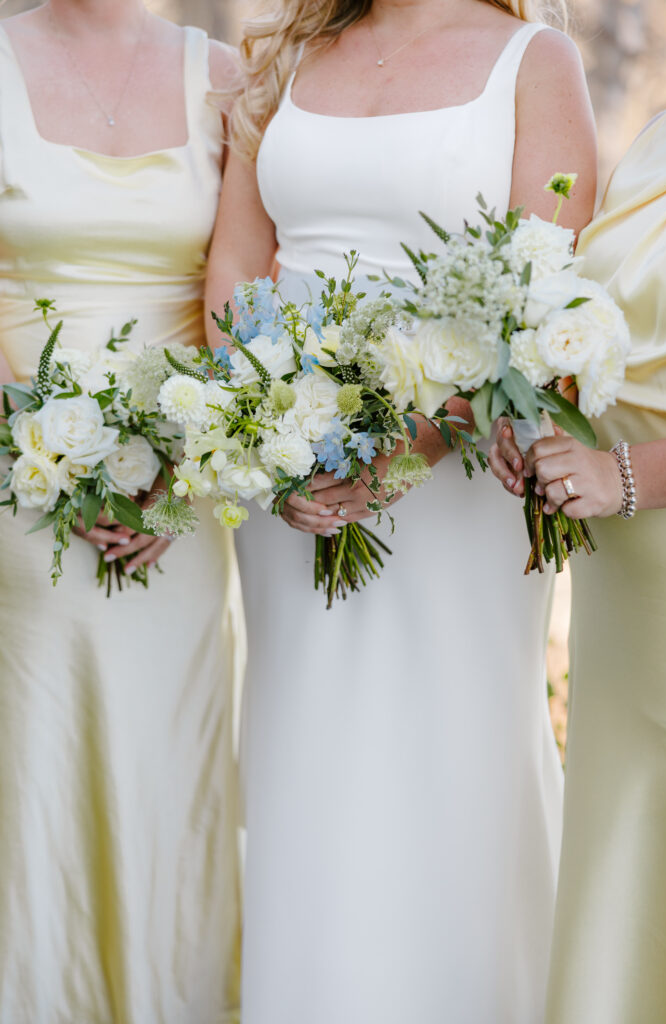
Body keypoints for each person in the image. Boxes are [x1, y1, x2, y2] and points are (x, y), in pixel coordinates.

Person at [207, 1, 596, 1021]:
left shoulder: (535, 62)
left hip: (454, 486)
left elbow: (535, 289)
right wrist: (262, 429)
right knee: (309, 778)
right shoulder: (291, 54)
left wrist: (406, 446)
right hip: (292, 484)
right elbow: (234, 267)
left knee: (446, 773)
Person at [0, 2, 242, 1021]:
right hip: (17, 482)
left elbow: (238, 291)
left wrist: (184, 472)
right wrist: (40, 450)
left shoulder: (227, 78)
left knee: (165, 766)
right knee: (34, 761)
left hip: (178, 497)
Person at [489, 4, 666, 1020]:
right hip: (625, 599)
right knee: (628, 847)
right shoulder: (661, 132)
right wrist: (532, 410)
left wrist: (625, 475)